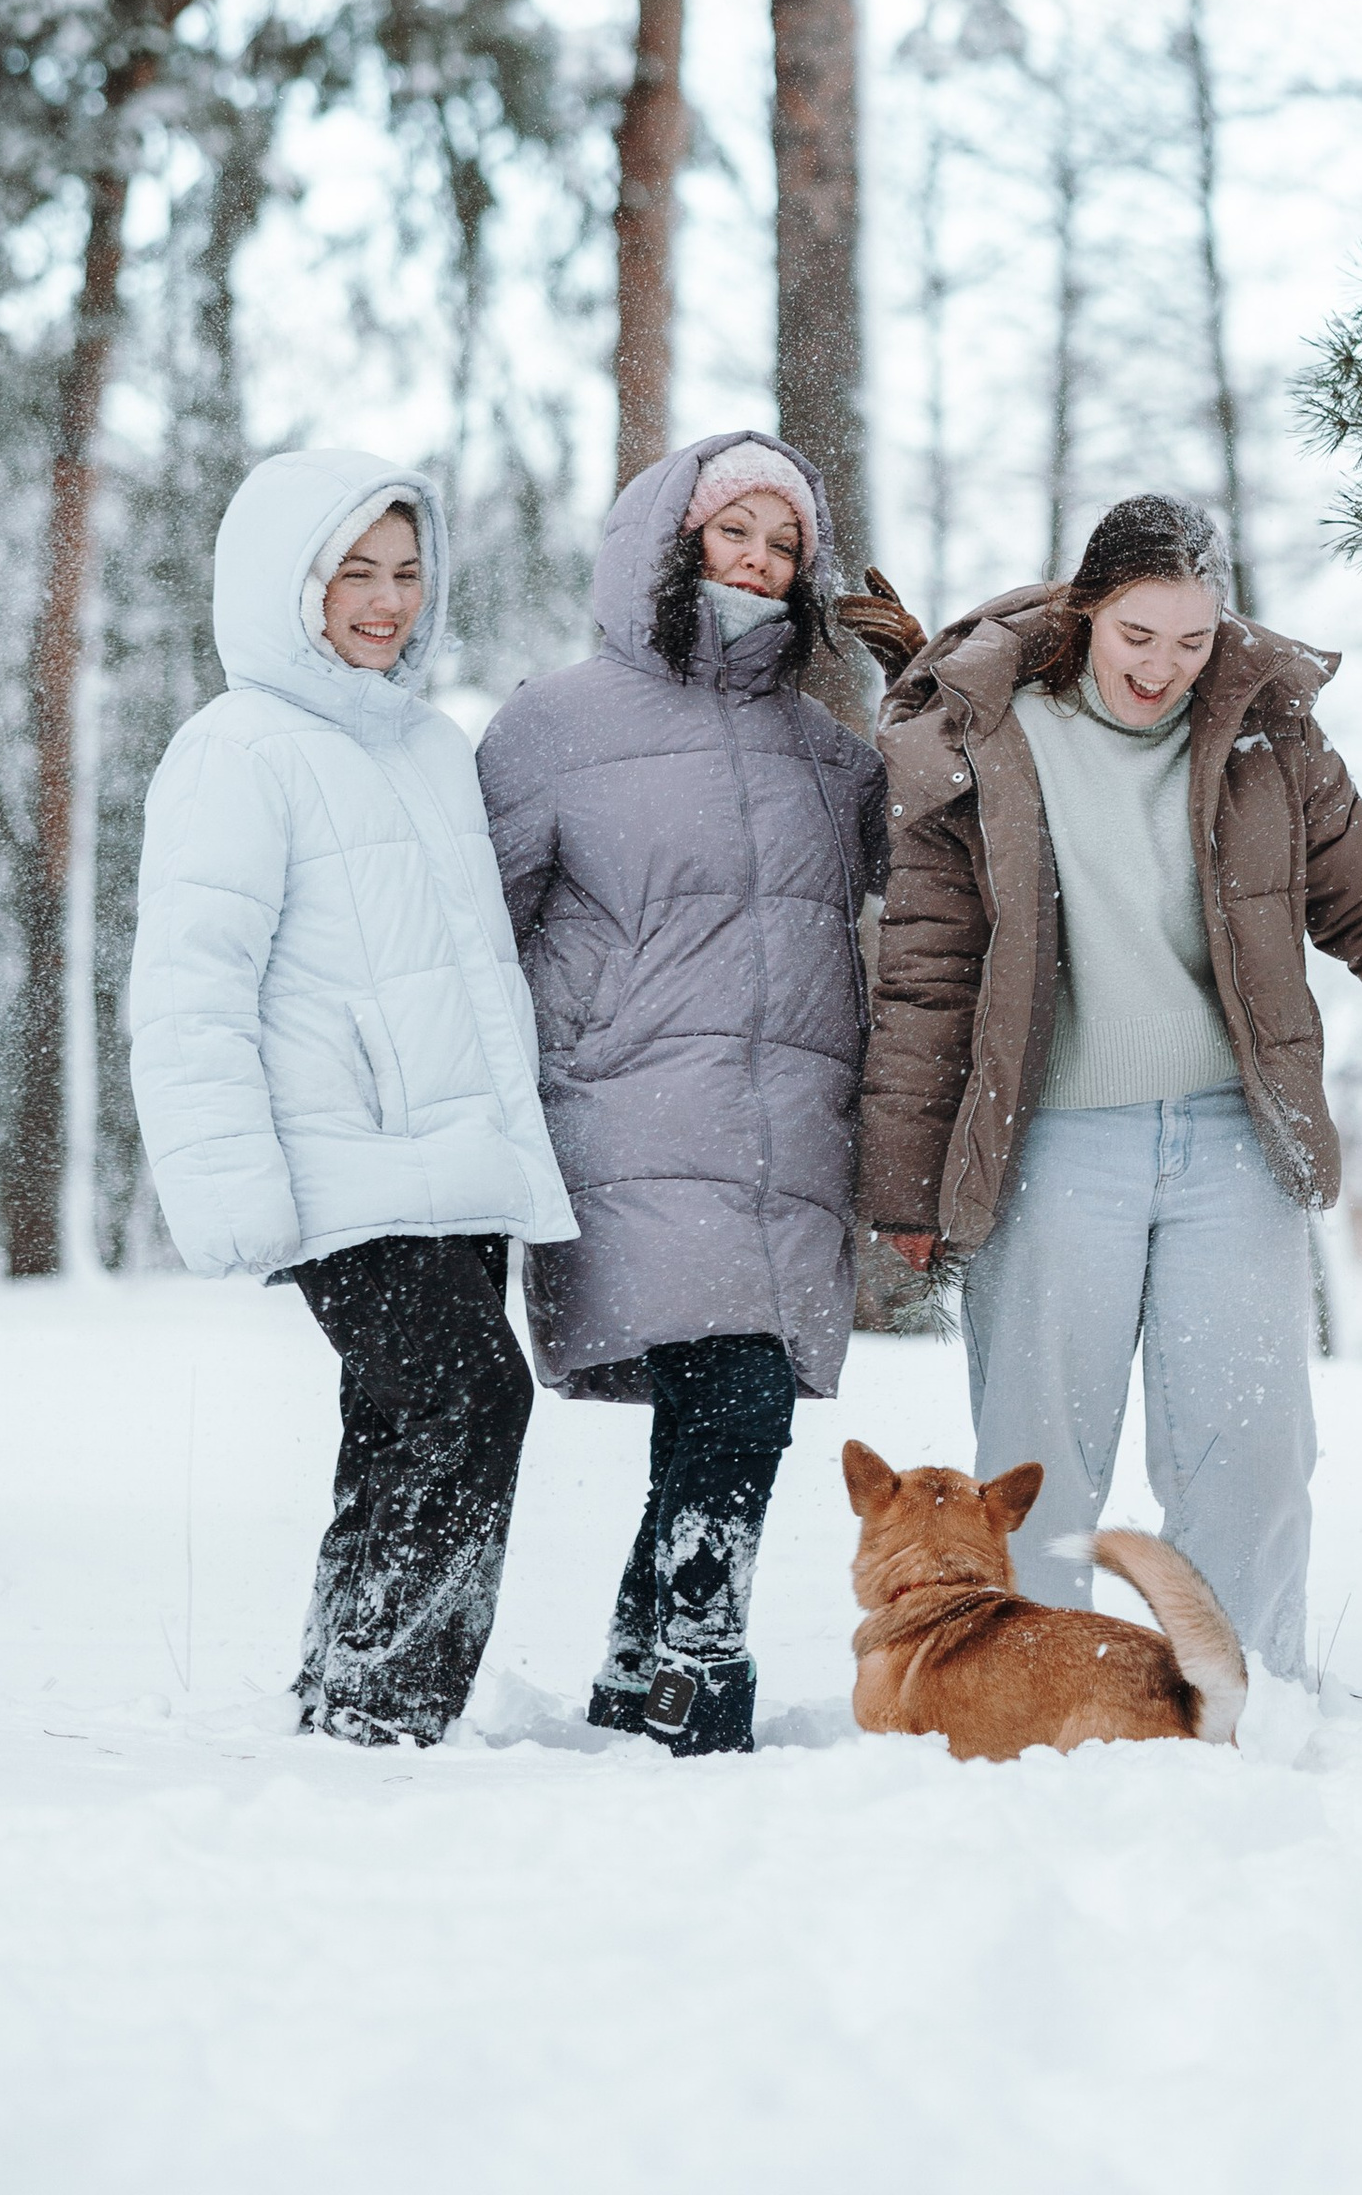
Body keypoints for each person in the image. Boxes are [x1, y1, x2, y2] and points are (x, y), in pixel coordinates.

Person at [852, 494, 1362, 1686]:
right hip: (1050, 1145)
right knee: (1037, 1463)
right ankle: (1025, 1692)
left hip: (1231, 1140)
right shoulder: (980, 735)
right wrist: (909, 1185)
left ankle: (1237, 1697)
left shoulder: (1261, 737)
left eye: (1191, 641)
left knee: (1253, 1448)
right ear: (1086, 613)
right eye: (1138, 637)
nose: (1164, 670)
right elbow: (923, 977)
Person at [130, 448, 575, 1748]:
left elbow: (473, 975)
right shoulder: (237, 751)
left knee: (398, 1427)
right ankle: (392, 1711)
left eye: (405, 570)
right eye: (353, 574)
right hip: (343, 1167)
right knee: (471, 1397)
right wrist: (229, 1193)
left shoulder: (430, 746)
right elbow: (189, 989)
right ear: (289, 586)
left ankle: (346, 1690)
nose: (385, 601)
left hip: (456, 1168)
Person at [477, 432, 888, 1758]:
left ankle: (645, 1691)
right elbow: (471, 934)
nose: (760, 566)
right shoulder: (554, 727)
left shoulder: (829, 756)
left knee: (728, 1412)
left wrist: (939, 698)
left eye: (785, 547)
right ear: (670, 542)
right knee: (734, 1406)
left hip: (789, 1137)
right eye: (734, 536)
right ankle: (694, 1686)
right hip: (628, 1114)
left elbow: (939, 863)